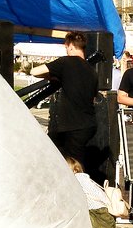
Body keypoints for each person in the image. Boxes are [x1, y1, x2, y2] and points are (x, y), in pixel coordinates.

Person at [30, 32, 99, 171]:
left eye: (66, 47)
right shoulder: (92, 71)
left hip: (71, 125)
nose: (66, 51)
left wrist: (52, 76)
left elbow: (34, 71)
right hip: (88, 124)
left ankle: (78, 189)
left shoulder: (65, 62)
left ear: (71, 46)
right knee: (75, 161)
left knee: (70, 165)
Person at [66, 156, 126, 228]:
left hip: (100, 218)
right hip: (106, 222)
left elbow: (99, 197)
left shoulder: (79, 179)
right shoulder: (84, 180)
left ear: (73, 170)